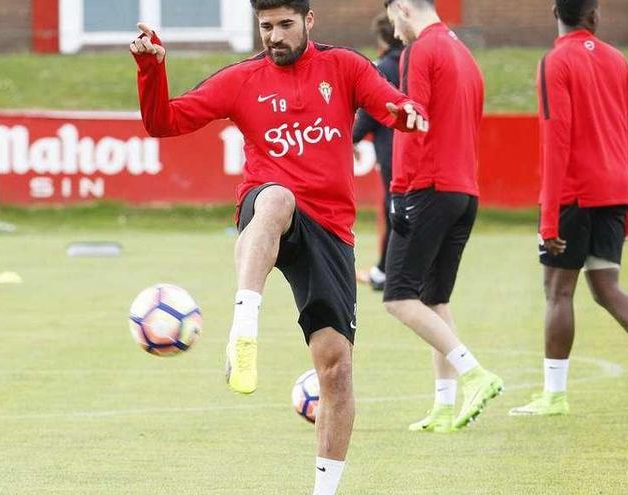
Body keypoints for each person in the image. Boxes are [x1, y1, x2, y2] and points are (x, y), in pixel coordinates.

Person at [130, 1, 428, 493]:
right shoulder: (241, 79)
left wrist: (407, 114)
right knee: (276, 198)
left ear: (309, 21)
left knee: (336, 367)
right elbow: (164, 123)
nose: (275, 36)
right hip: (269, 208)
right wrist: (151, 67)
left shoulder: (345, 67)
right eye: (266, 26)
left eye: (285, 24)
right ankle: (244, 328)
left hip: (330, 227)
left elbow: (388, 103)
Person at [509, 0, 628, 418]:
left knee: (558, 291)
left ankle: (554, 395)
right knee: (607, 288)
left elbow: (556, 141)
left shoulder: (555, 62)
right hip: (615, 191)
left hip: (573, 195)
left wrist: (550, 215)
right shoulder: (618, 61)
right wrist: (626, 206)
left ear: (555, 13)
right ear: (594, 17)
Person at [382, 0, 503, 433]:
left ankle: (476, 374)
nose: (395, 34)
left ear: (401, 9)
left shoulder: (422, 50)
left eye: (393, 20)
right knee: (435, 300)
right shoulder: (463, 53)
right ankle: (444, 407)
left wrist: (397, 190)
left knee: (398, 296)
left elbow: (413, 119)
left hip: (429, 186)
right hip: (463, 191)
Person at [352, 13, 404, 291]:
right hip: (418, 149)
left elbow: (372, 110)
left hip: (392, 150)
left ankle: (386, 271)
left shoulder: (382, 67)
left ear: (383, 38)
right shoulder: (415, 62)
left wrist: (350, 136)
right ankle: (392, 269)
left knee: (393, 209)